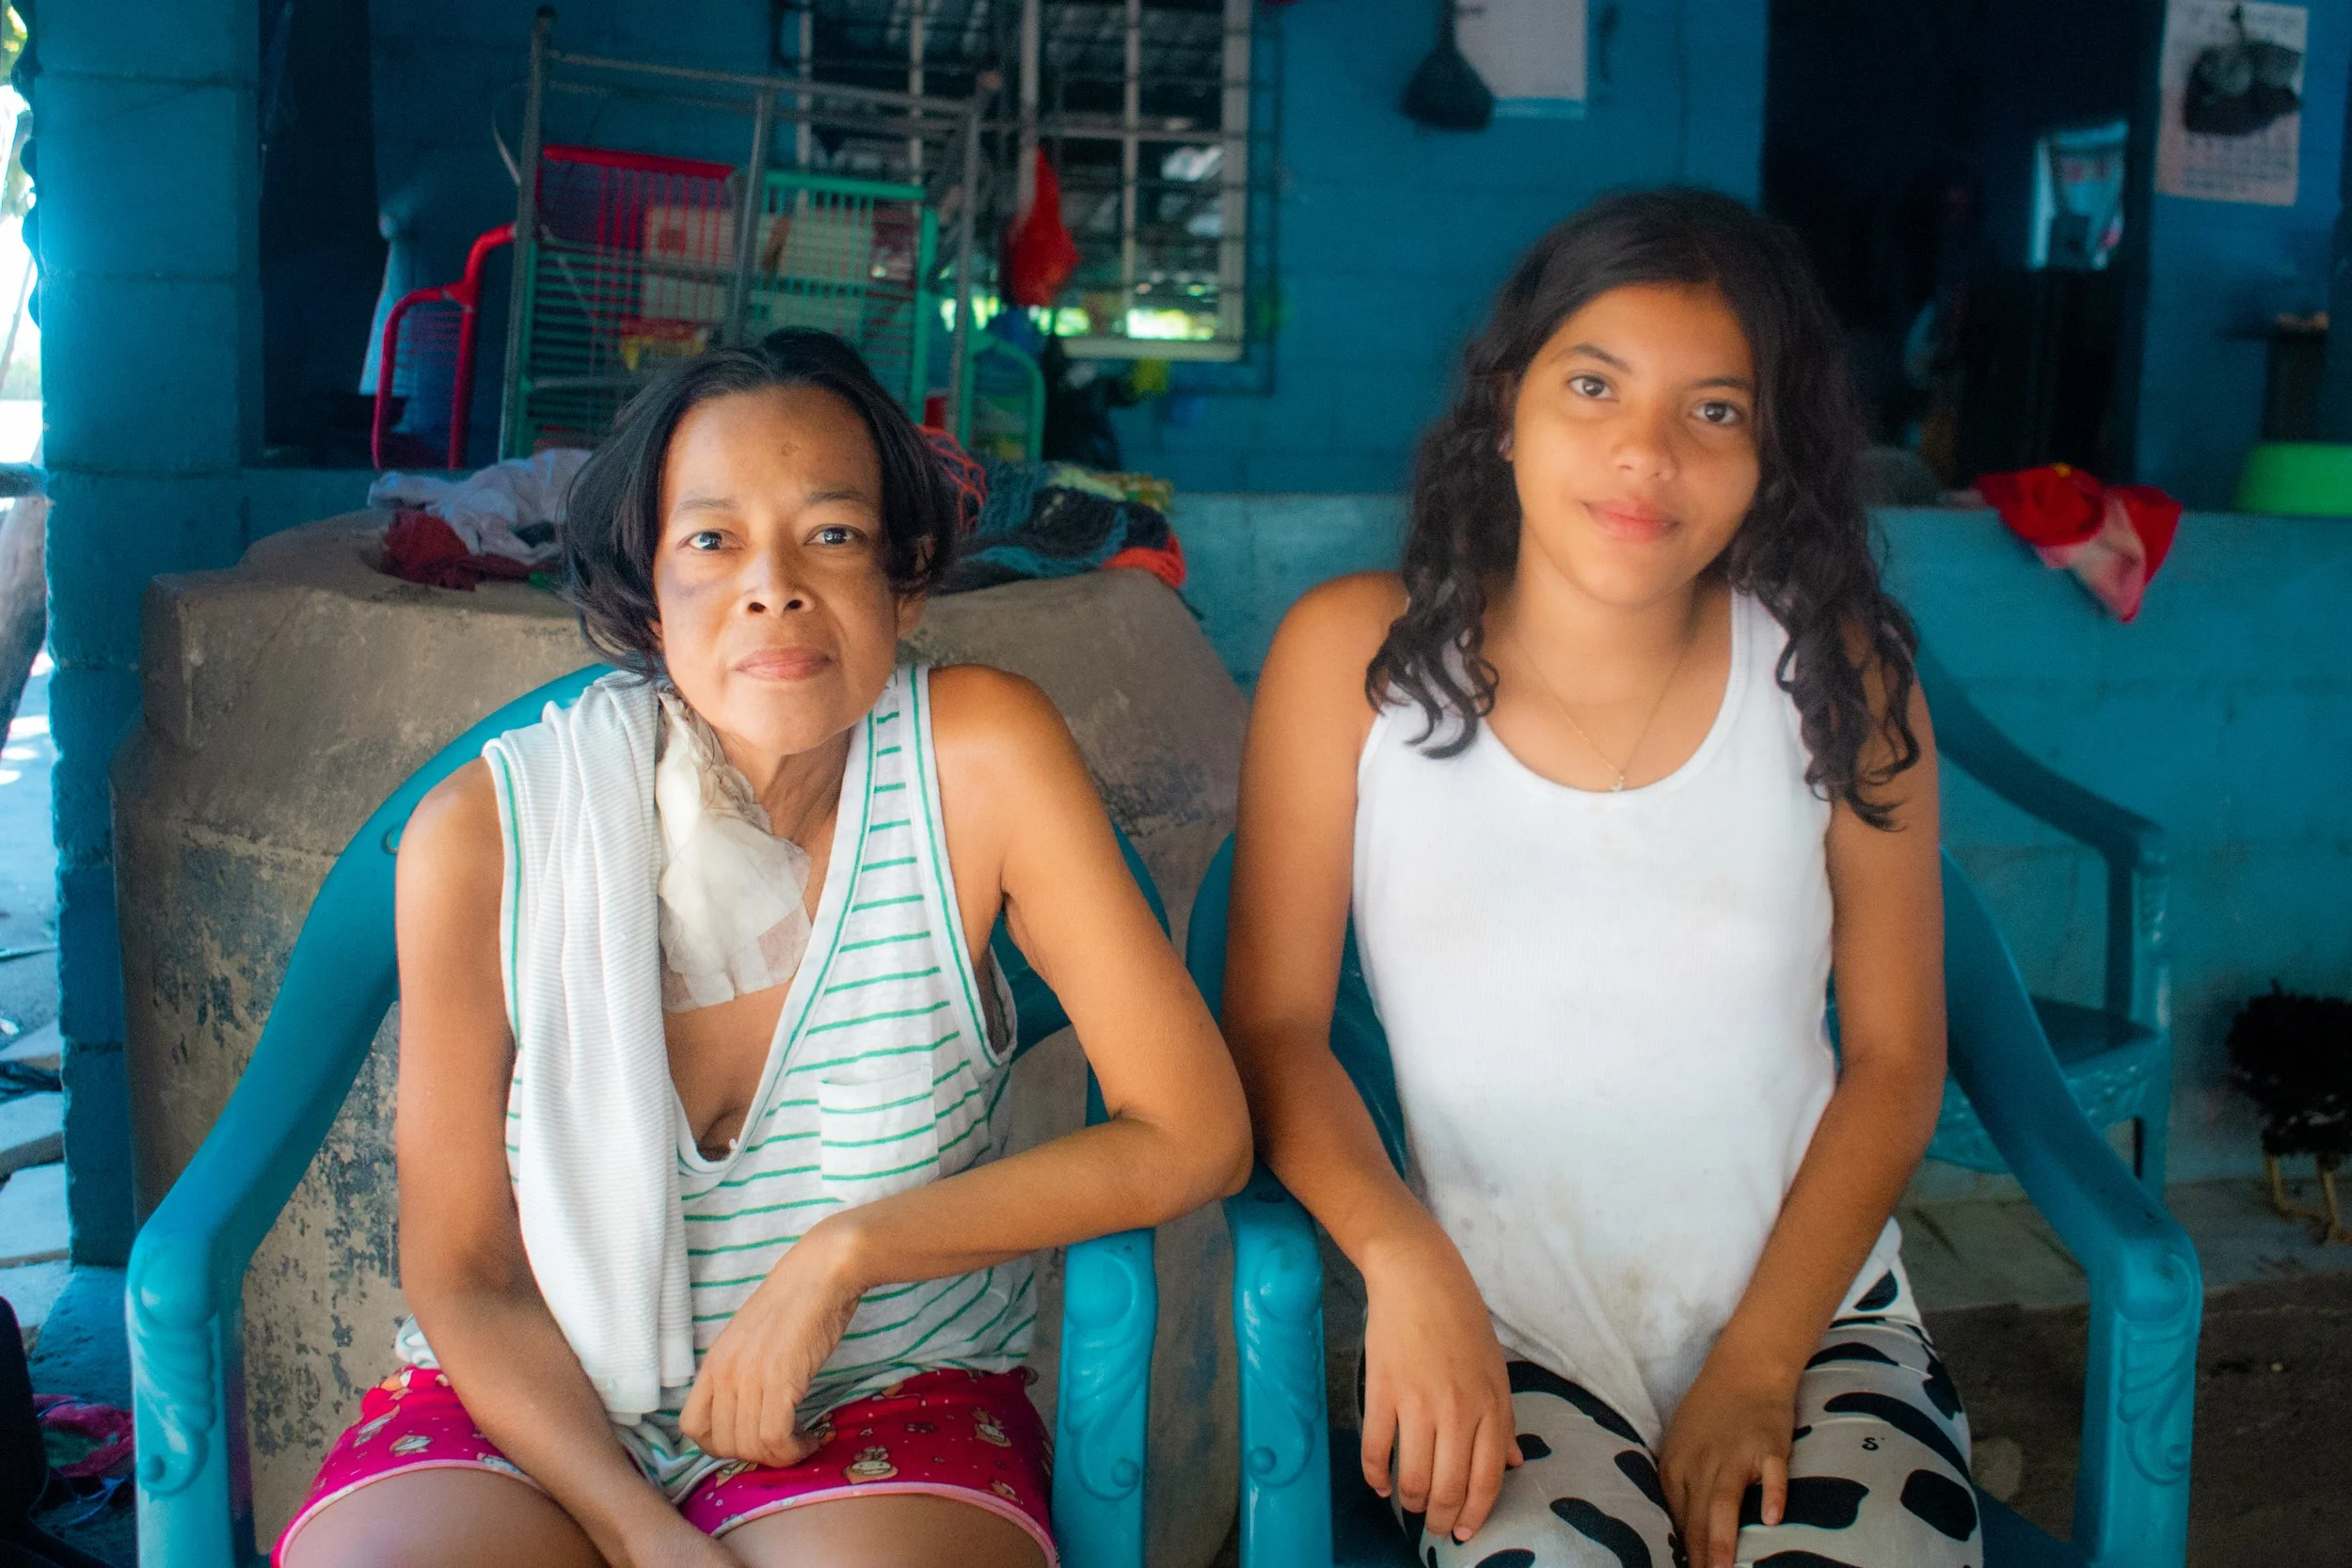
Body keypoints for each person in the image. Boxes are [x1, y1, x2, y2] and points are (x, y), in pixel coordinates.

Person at [278, 330, 1252, 1568]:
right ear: (647, 595)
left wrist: (845, 1256)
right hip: (532, 1400)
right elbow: (465, 1268)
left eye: (832, 534)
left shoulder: (979, 763)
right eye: (711, 540)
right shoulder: (488, 838)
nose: (773, 586)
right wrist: (638, 1533)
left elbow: (1195, 1130)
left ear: (905, 582)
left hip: (883, 1388)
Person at [1222, 189, 1976, 1568]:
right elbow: (1273, 1032)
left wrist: (1761, 1363)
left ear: (1771, 453)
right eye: (1593, 385)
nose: (1646, 452)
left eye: (1715, 410)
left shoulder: (1841, 674)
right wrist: (1401, 1258)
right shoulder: (1356, 663)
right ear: (1507, 406)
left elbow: (1895, 1060)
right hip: (1500, 1335)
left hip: (1815, 1329)